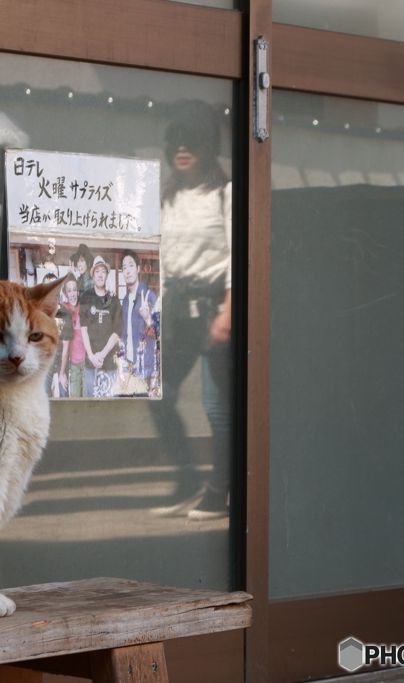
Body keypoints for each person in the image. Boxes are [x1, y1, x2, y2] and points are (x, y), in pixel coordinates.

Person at [156, 99, 233, 520]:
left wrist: (227, 312)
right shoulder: (171, 196)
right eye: (176, 141)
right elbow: (161, 257)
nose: (182, 148)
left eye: (192, 140)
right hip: (175, 308)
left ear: (209, 145)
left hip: (214, 309)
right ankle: (186, 475)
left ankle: (219, 490)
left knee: (216, 406)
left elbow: (240, 257)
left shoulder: (226, 194)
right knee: (158, 394)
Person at [79, 255, 123, 398]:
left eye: (103, 271)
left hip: (109, 362)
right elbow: (83, 329)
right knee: (91, 405)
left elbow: (117, 332)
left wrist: (102, 355)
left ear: (106, 275)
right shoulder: (86, 298)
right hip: (90, 363)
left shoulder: (114, 300)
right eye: (97, 271)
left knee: (112, 406)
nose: (100, 274)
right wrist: (92, 356)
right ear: (92, 275)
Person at [118, 249, 160, 397]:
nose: (127, 270)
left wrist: (148, 318)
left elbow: (159, 335)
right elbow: (124, 334)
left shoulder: (149, 295)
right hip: (128, 368)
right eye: (124, 267)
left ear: (138, 268)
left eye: (131, 265)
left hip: (144, 369)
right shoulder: (125, 300)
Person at [58, 276, 86, 398]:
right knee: (75, 400)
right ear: (65, 293)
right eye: (69, 291)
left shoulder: (84, 308)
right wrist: (62, 373)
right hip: (73, 364)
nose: (72, 294)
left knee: (87, 400)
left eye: (74, 290)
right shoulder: (63, 308)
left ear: (78, 291)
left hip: (87, 363)